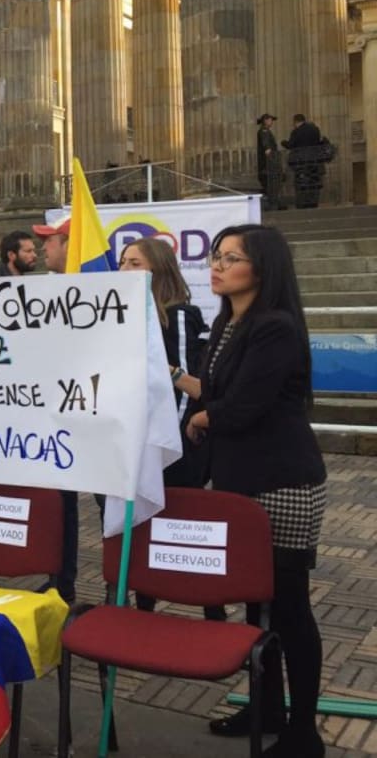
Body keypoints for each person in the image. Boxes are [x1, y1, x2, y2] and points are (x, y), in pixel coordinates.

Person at [185, 225, 327, 758]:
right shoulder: (228, 323)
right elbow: (218, 391)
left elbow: (243, 405)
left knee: (289, 609)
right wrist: (180, 382)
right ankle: (266, 706)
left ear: (261, 269)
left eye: (230, 257)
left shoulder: (276, 327)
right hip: (241, 484)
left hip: (283, 484)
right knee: (256, 606)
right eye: (215, 255)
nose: (216, 265)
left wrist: (203, 417)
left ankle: (303, 732)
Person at [117, 238, 226, 620]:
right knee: (143, 526)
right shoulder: (123, 314)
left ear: (157, 270)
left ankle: (213, 609)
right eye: (122, 263)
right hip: (135, 441)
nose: (124, 270)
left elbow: (188, 383)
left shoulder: (178, 314)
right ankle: (143, 605)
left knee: (185, 525)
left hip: (174, 445)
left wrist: (173, 438)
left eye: (134, 263)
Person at [32, 215, 77, 602]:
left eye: (51, 241)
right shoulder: (49, 290)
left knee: (106, 509)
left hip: (87, 422)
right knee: (59, 506)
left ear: (69, 245)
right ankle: (60, 580)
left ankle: (118, 589)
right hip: (52, 420)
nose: (44, 248)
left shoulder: (94, 292)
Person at [281, 114, 329, 210]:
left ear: (295, 122)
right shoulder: (315, 130)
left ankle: (303, 205)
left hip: (301, 163)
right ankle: (313, 203)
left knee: (301, 184)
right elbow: (318, 143)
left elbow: (291, 145)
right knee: (314, 184)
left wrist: (283, 143)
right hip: (315, 162)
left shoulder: (296, 132)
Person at [256, 113, 282, 210]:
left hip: (268, 164)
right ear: (266, 120)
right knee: (270, 184)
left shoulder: (265, 131)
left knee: (272, 184)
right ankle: (272, 204)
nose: (272, 122)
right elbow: (267, 147)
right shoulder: (264, 131)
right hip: (268, 164)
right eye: (271, 120)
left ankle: (273, 203)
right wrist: (273, 161)